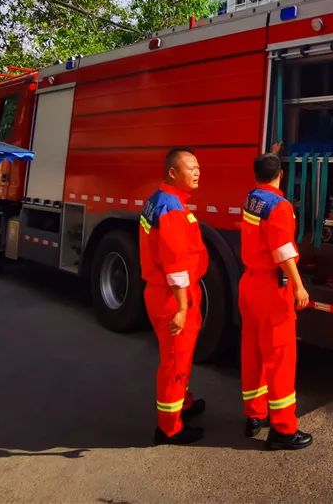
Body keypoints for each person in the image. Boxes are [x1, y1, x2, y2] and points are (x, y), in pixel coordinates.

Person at [239, 152, 313, 450]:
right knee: (280, 357)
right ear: (281, 174)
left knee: (253, 351)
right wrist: (298, 285)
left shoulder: (252, 198)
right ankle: (283, 429)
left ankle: (254, 416)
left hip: (250, 283)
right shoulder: (280, 206)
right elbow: (283, 250)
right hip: (272, 288)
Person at [140, 148, 209, 445]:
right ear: (172, 172)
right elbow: (175, 262)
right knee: (174, 363)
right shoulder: (171, 209)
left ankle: (182, 404)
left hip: (166, 293)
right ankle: (169, 428)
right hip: (172, 297)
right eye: (190, 167)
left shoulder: (160, 201)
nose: (197, 172)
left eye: (197, 168)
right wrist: (182, 306)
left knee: (178, 359)